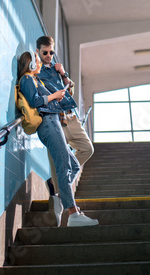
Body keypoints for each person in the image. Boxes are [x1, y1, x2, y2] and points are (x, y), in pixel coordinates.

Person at [17, 50, 99, 227]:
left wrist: (61, 94)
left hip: (54, 121)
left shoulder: (35, 79)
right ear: (31, 64)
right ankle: (73, 213)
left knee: (74, 165)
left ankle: (61, 192)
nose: (39, 63)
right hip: (48, 124)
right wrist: (54, 96)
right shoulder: (27, 79)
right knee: (62, 164)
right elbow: (35, 101)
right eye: (37, 60)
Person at [36, 36, 94, 209]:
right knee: (58, 165)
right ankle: (62, 200)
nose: (48, 55)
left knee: (88, 149)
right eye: (45, 52)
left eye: (51, 52)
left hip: (70, 118)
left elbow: (70, 90)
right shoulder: (36, 71)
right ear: (38, 51)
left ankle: (57, 183)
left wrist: (63, 74)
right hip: (54, 122)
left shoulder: (56, 69)